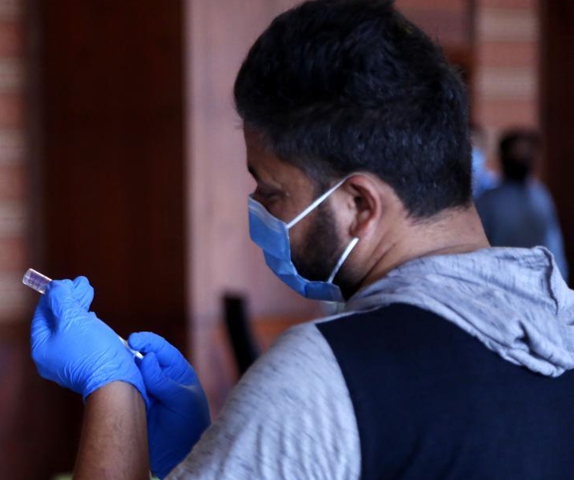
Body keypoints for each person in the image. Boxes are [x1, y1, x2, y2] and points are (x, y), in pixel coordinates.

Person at [29, 1, 574, 479]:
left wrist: (113, 391)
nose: (260, 210)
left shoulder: (326, 377)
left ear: (359, 205)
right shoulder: (561, 326)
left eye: (271, 190)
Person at [476, 129, 569, 282]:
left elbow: (554, 243)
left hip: (542, 281)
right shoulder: (489, 201)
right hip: (500, 281)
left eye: (527, 152)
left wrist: (561, 281)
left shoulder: (541, 195)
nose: (523, 157)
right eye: (517, 153)